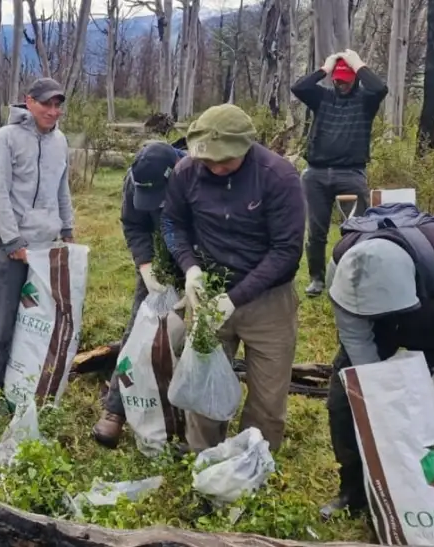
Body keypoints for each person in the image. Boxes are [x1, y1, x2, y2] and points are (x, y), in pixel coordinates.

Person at [161, 103, 306, 453]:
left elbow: (286, 251)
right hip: (209, 294)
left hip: (268, 301)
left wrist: (236, 298)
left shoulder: (278, 177)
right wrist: (190, 268)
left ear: (245, 147)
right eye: (206, 160)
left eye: (223, 160)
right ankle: (204, 457)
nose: (214, 166)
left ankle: (249, 464)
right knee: (202, 383)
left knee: (268, 397)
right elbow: (173, 223)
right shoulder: (185, 171)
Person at [320, 203, 434, 519]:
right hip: (375, 334)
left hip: (433, 334)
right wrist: (372, 387)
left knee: (426, 420)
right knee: (343, 408)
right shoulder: (341, 263)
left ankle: (420, 496)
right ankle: (353, 492)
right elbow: (353, 331)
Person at [0, 77, 75, 395]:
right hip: (12, 246)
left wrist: (67, 228)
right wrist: (12, 240)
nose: (53, 111)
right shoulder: (7, 138)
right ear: (29, 102)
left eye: (57, 105)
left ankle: (29, 383)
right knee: (1, 319)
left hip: (46, 245)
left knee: (40, 318)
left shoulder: (60, 141)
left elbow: (62, 187)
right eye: (46, 103)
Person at [92, 141, 187, 448]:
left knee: (192, 340)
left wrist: (197, 274)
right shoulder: (135, 179)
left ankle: (182, 417)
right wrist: (146, 265)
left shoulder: (196, 175)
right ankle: (116, 409)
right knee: (138, 330)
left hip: (199, 259)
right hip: (157, 261)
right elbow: (133, 223)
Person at [291, 49, 388, 297]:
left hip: (351, 174)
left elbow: (380, 88)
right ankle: (316, 280)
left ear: (354, 77)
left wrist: (358, 64)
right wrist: (326, 67)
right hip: (316, 175)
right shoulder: (321, 97)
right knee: (316, 232)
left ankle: (356, 278)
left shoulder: (366, 101)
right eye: (337, 79)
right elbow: (299, 88)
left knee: (359, 229)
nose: (340, 83)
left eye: (345, 79)